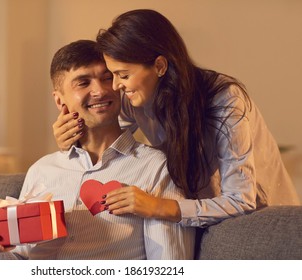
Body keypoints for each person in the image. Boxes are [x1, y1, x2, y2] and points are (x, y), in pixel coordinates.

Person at [53, 9, 300, 228]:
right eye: (113, 75)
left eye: (123, 75)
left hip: (257, 219)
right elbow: (109, 143)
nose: (116, 86)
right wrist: (72, 138)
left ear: (160, 66)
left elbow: (240, 200)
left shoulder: (224, 100)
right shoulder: (133, 99)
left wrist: (156, 206)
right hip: (192, 214)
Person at [0, 39, 195, 260]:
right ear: (60, 101)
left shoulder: (156, 167)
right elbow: (21, 258)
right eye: (83, 82)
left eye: (108, 78)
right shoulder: (41, 170)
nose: (100, 90)